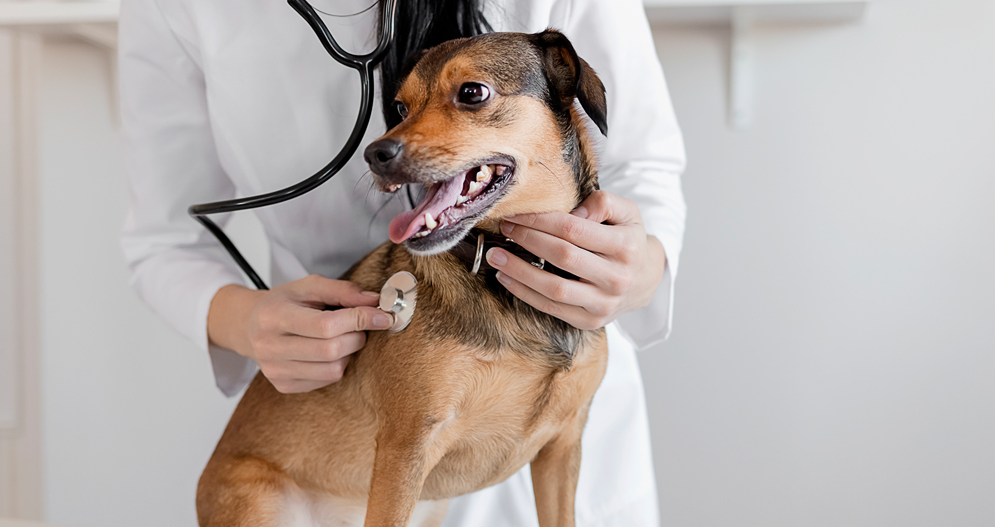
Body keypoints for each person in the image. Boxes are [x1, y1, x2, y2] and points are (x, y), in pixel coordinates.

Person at [119, 0, 685, 524]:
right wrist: (245, 320)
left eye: (471, 95)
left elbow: (643, 162)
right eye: (402, 111)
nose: (396, 136)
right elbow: (164, 241)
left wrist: (639, 269)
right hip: (332, 392)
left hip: (567, 341)